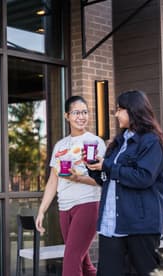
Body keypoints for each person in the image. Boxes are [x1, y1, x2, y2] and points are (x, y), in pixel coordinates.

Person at [87, 90, 163, 276]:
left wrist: (108, 166)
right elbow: (109, 180)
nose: (116, 114)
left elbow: (143, 177)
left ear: (133, 111)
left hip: (139, 226)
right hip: (111, 225)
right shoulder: (119, 142)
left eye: (119, 109)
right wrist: (95, 169)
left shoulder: (151, 141)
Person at [35, 95, 106, 276]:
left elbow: (103, 179)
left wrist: (79, 178)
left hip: (88, 204)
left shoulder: (95, 143)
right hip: (64, 207)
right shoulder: (60, 146)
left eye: (84, 112)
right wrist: (42, 210)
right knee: (83, 263)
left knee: (71, 258)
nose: (81, 116)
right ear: (67, 116)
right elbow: (53, 180)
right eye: (76, 112)